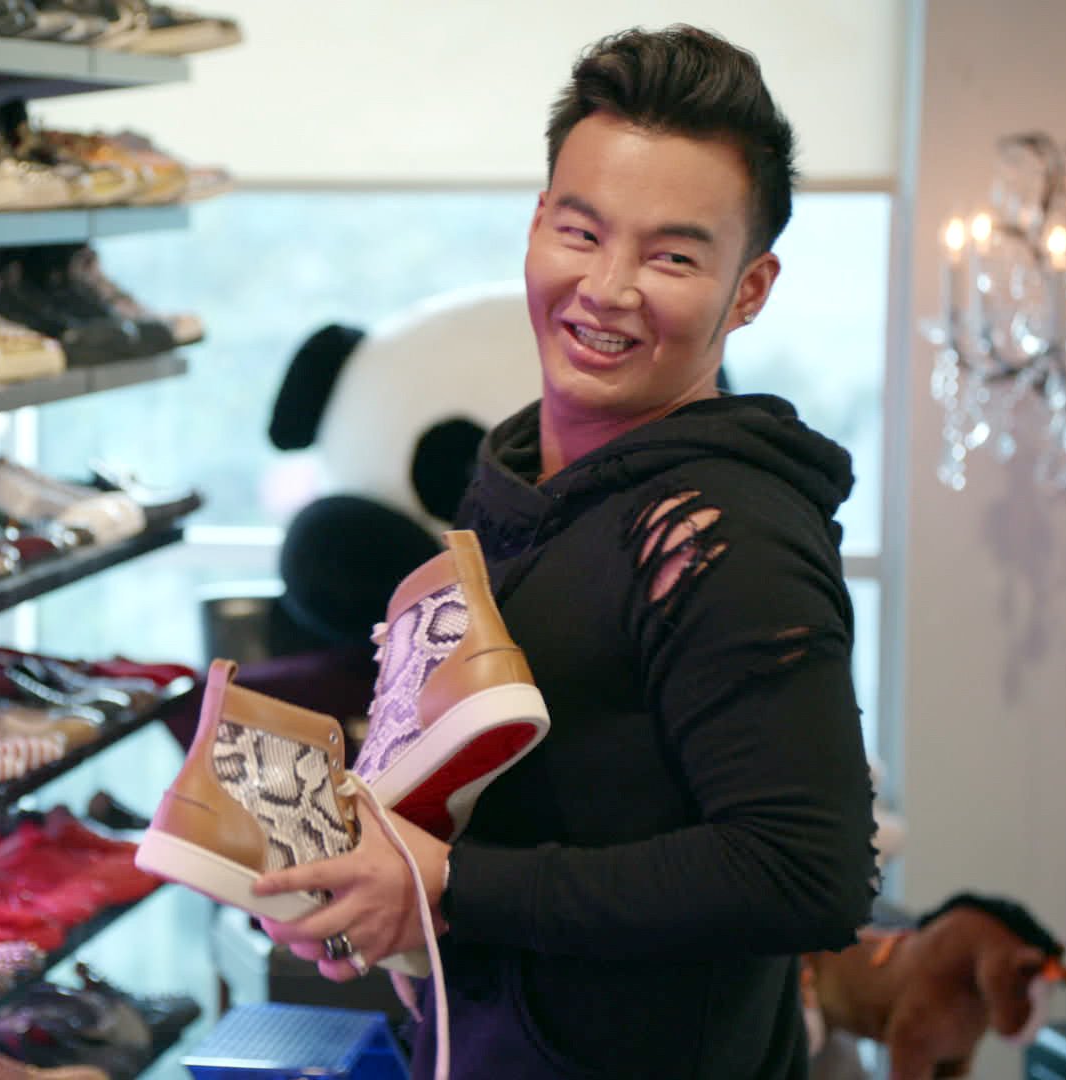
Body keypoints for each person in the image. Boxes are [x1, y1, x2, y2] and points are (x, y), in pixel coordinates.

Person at [252, 24, 881, 1079]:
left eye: (673, 255)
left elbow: (805, 872)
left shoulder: (722, 534)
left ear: (751, 289)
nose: (609, 288)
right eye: (582, 232)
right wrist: (368, 884)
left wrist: (449, 887)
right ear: (539, 222)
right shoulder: (518, 488)